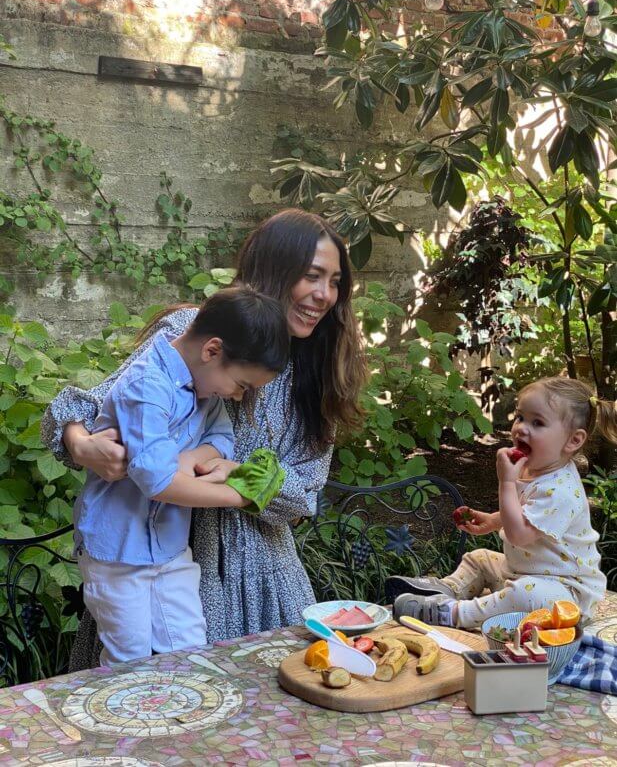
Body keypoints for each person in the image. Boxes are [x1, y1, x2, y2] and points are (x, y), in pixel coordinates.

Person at [41, 209, 366, 669]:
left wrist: (243, 477)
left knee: (266, 701)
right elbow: (88, 405)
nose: (324, 295)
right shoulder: (198, 332)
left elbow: (303, 497)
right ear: (273, 269)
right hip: (154, 557)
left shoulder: (320, 371)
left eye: (334, 282)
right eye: (312, 276)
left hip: (262, 577)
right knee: (140, 681)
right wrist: (81, 444)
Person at [73, 286, 289, 665]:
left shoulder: (204, 388)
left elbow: (221, 438)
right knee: (130, 658)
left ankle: (182, 705)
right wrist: (239, 495)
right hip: (119, 552)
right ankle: (128, 706)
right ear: (212, 351)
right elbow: (158, 482)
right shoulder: (145, 386)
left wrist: (191, 457)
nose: (238, 396)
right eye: (241, 385)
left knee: (190, 649)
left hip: (170, 549)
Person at [388, 377, 616, 628]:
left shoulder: (561, 491)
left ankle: (452, 613)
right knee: (479, 558)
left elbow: (519, 535)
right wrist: (492, 520)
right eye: (520, 417)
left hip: (564, 594)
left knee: (526, 594)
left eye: (538, 423)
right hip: (523, 573)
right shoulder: (534, 470)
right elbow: (526, 513)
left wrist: (505, 482)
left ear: (573, 440)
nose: (521, 428)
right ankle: (447, 589)